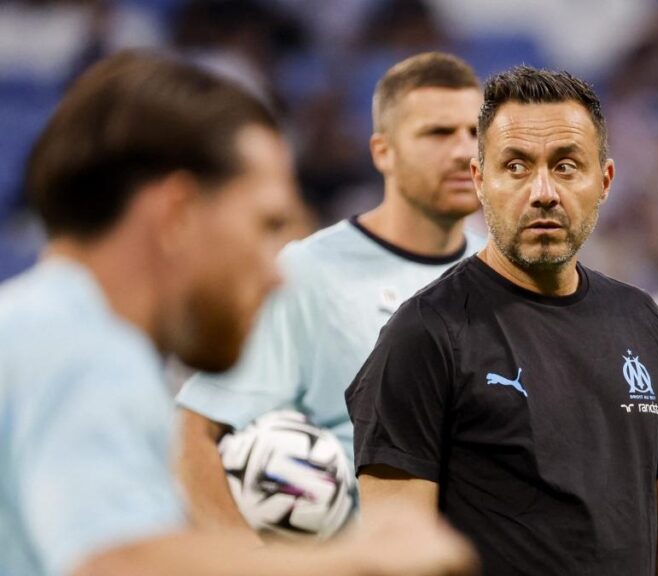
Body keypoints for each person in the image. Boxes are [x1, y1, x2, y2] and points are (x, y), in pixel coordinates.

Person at [0, 51, 478, 576]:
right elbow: (115, 563)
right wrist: (359, 560)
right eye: (266, 223)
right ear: (178, 213)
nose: (277, 272)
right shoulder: (85, 351)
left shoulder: (43, 330)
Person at [346, 65, 658, 576]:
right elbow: (393, 558)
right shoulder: (426, 333)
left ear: (605, 180)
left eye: (566, 166)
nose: (543, 191)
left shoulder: (641, 321)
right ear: (480, 181)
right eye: (516, 166)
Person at [174, 52, 484, 537]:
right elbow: (192, 435)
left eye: (475, 133)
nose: (466, 152)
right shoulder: (306, 273)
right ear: (383, 152)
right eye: (439, 133)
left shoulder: (507, 272)